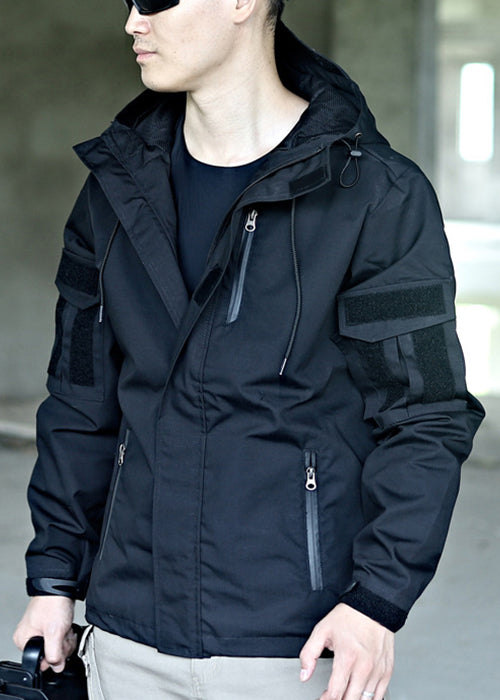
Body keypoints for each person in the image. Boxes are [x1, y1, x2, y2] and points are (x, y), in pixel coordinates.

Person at [14, 0, 484, 698]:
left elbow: (426, 415)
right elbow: (80, 400)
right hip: (125, 633)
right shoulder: (113, 190)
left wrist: (376, 601)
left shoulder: (375, 196)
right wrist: (54, 577)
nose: (133, 22)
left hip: (291, 646)